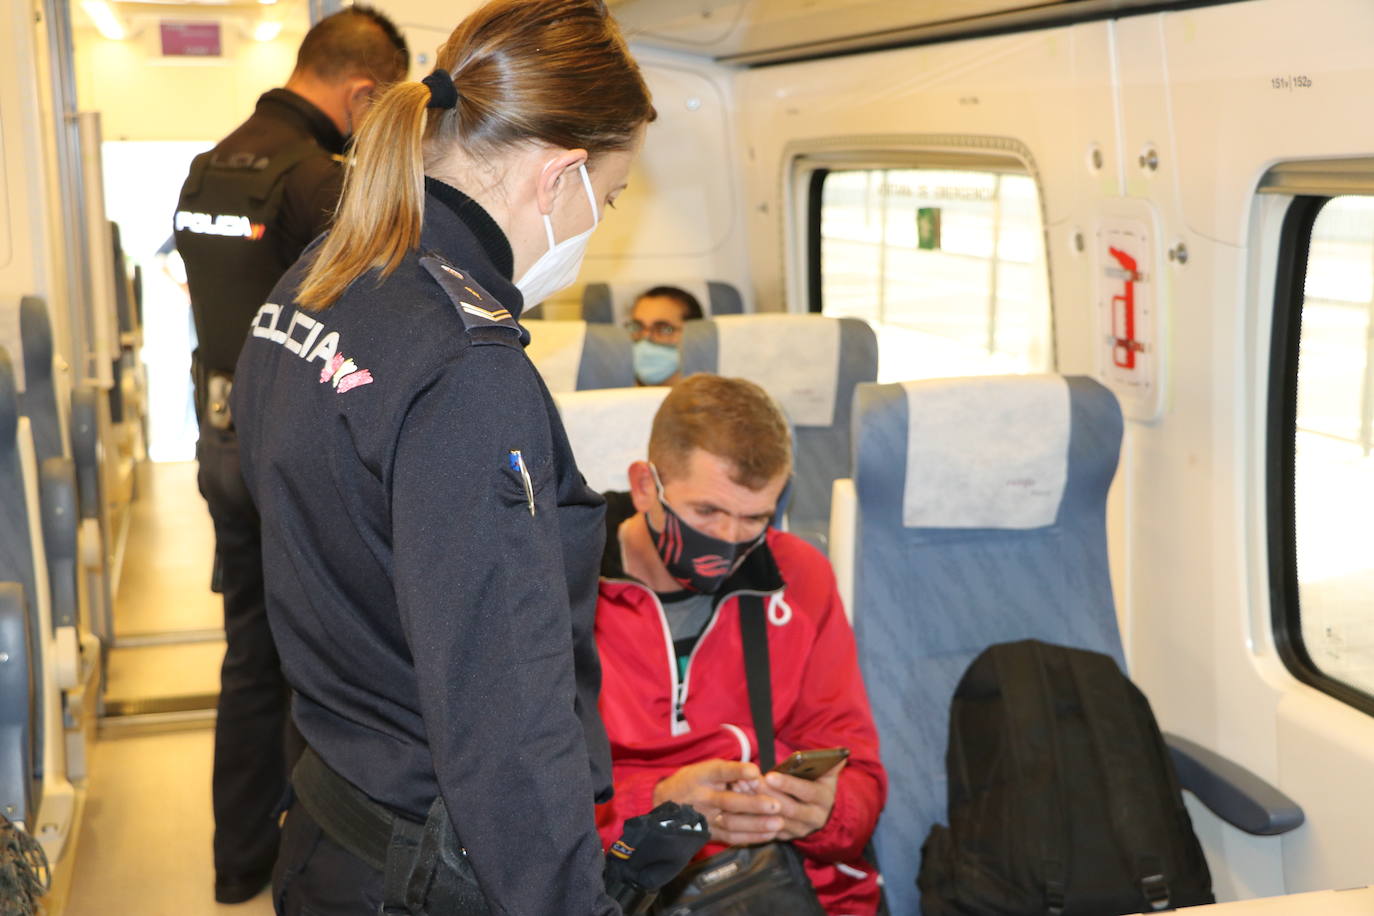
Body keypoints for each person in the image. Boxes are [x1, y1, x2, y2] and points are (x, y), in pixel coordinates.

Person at [230, 2, 655, 913]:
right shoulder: (466, 365)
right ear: (562, 176)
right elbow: (505, 712)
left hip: (328, 820)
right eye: (609, 199)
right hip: (425, 871)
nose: (600, 223)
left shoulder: (323, 279)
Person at [172, 7, 408, 905]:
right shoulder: (320, 179)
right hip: (285, 455)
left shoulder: (212, 164)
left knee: (248, 657)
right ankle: (307, 869)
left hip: (219, 434)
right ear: (362, 92)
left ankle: (238, 866)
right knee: (316, 659)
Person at [593, 374, 888, 915]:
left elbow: (859, 771)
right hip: (620, 886)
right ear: (644, 487)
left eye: (754, 518)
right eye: (706, 512)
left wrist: (827, 810)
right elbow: (521, 796)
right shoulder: (563, 587)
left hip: (778, 883)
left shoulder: (799, 576)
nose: (729, 542)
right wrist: (655, 805)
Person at [624, 285, 702, 386]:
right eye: (637, 327)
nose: (645, 338)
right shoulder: (611, 396)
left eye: (664, 329)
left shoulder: (712, 399)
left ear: (694, 336)